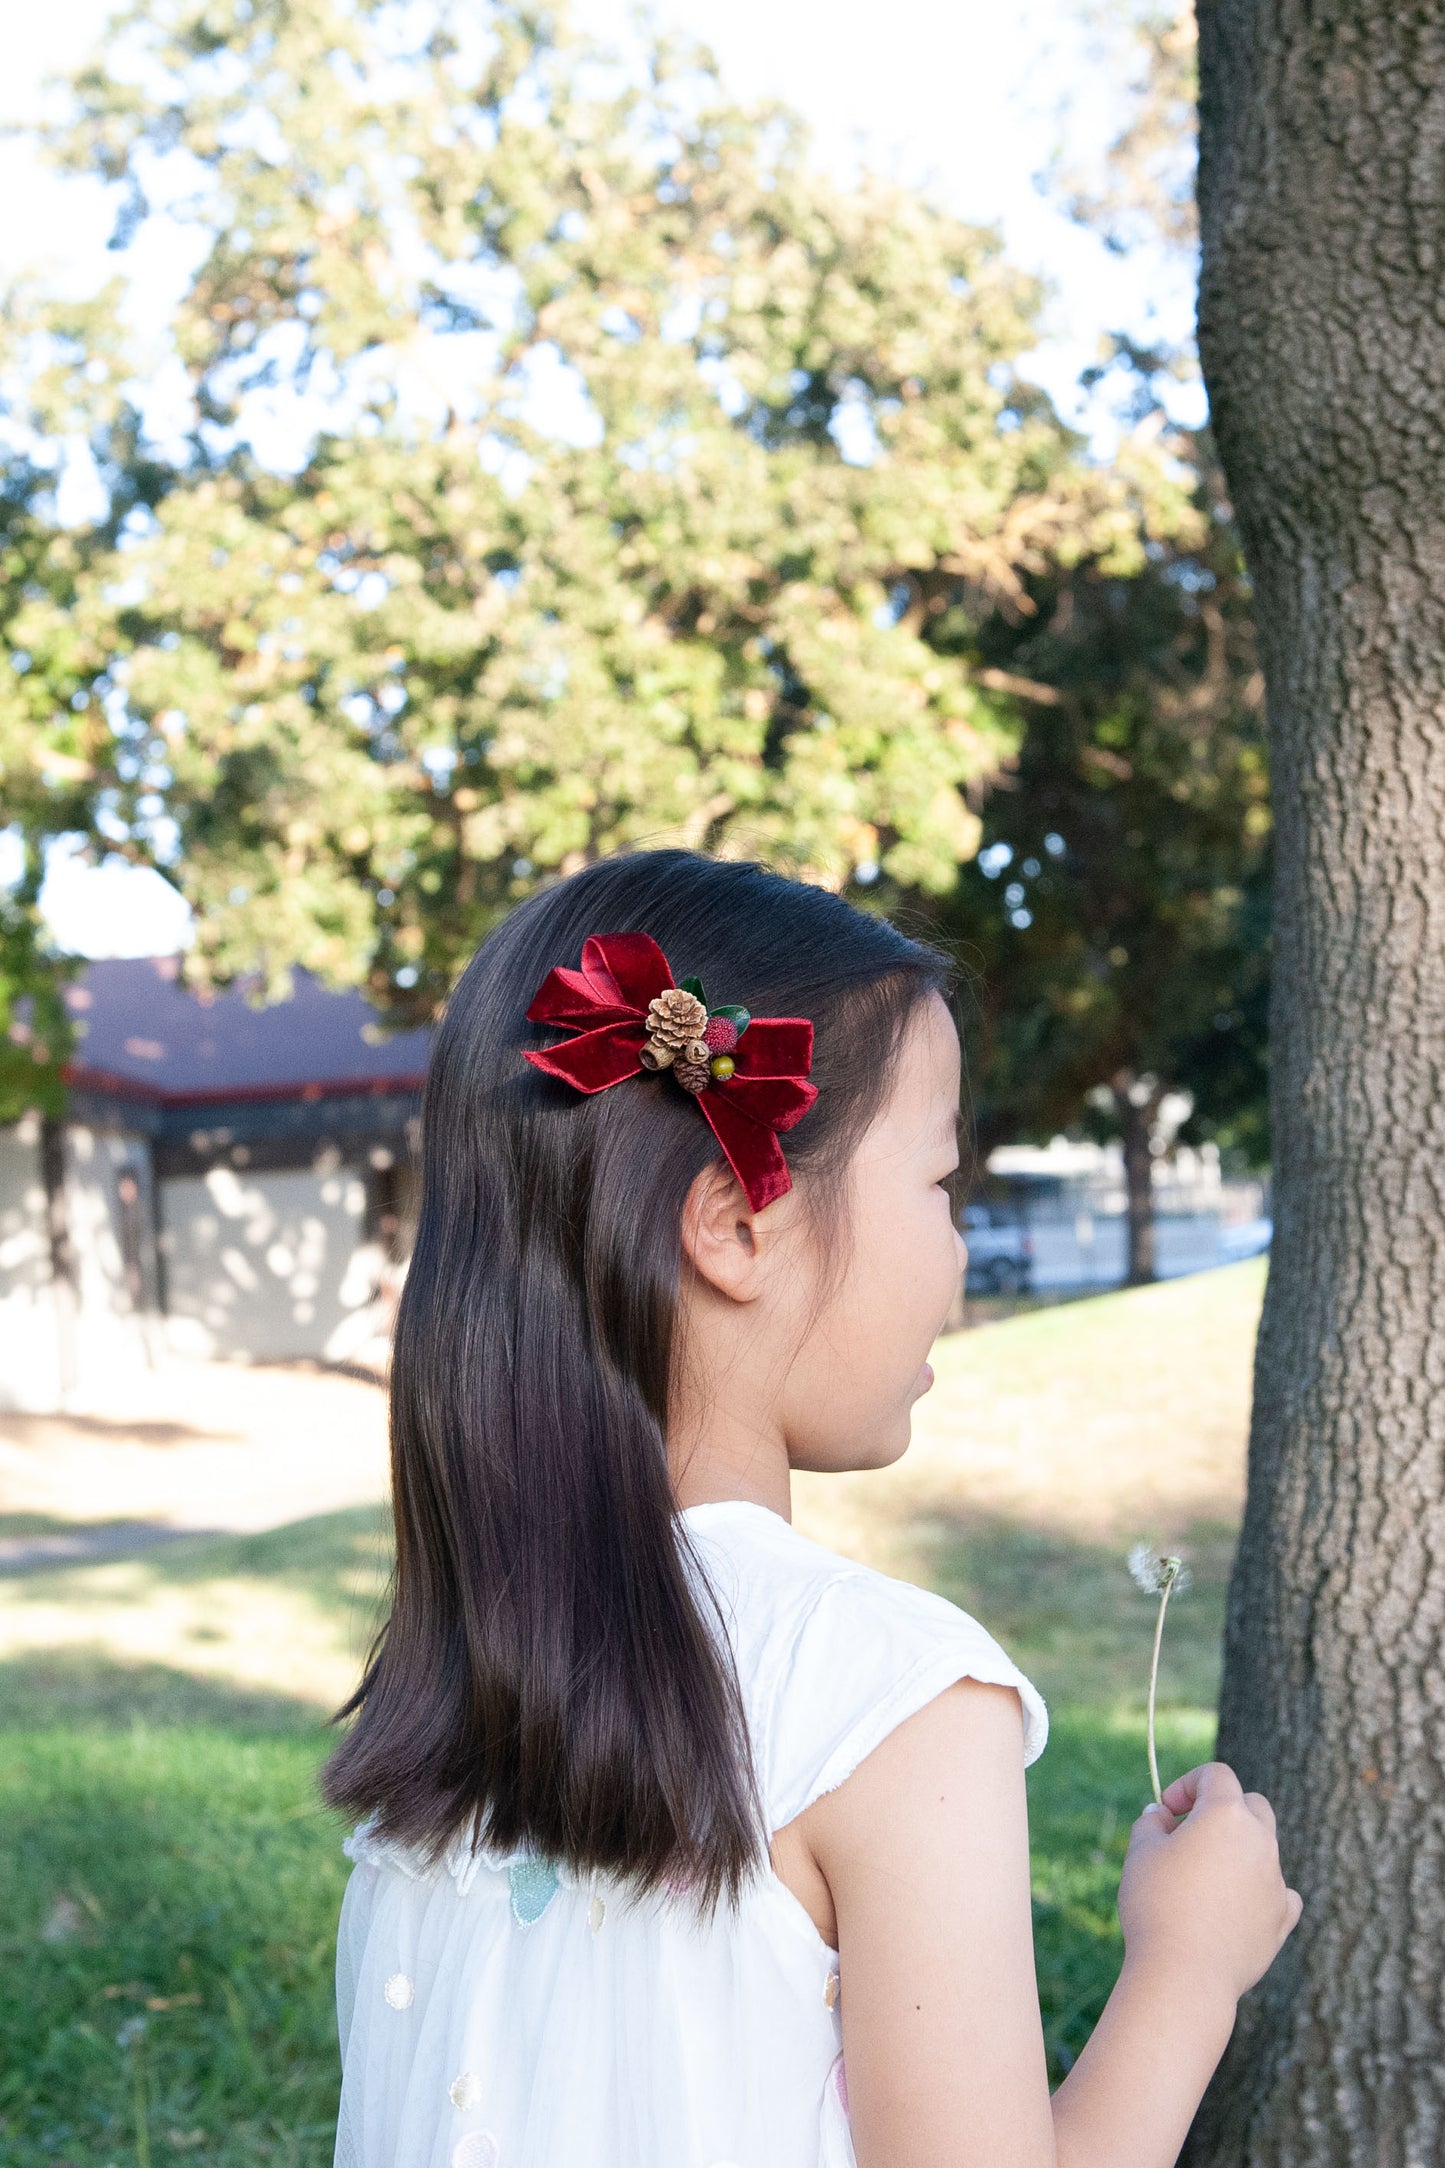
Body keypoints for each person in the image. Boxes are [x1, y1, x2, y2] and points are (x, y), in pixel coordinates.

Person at [323, 848, 1301, 2168]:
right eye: (937, 1182)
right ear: (733, 1225)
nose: (955, 1245)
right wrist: (1187, 1972)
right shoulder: (884, 1698)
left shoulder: (439, 1712)